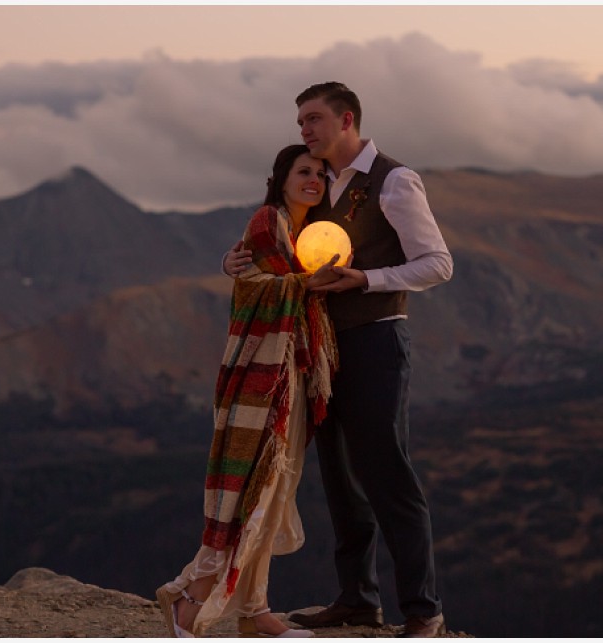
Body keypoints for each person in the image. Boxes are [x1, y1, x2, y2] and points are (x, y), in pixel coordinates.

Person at [224, 82, 453, 638]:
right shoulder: (318, 183)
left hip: (376, 339)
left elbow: (437, 263)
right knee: (339, 478)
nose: (304, 130)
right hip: (321, 348)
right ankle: (357, 600)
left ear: (346, 119)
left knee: (387, 473)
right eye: (300, 122)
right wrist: (241, 260)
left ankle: (423, 612)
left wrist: (367, 279)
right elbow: (286, 246)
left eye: (313, 119)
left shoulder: (395, 180)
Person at [156, 144, 343, 638]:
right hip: (260, 379)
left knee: (274, 490)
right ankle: (191, 599)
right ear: (280, 179)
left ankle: (255, 611)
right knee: (246, 492)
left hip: (288, 376)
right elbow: (259, 287)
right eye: (304, 172)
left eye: (321, 175)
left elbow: (275, 280)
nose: (314, 181)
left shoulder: (308, 234)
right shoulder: (267, 224)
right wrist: (308, 284)